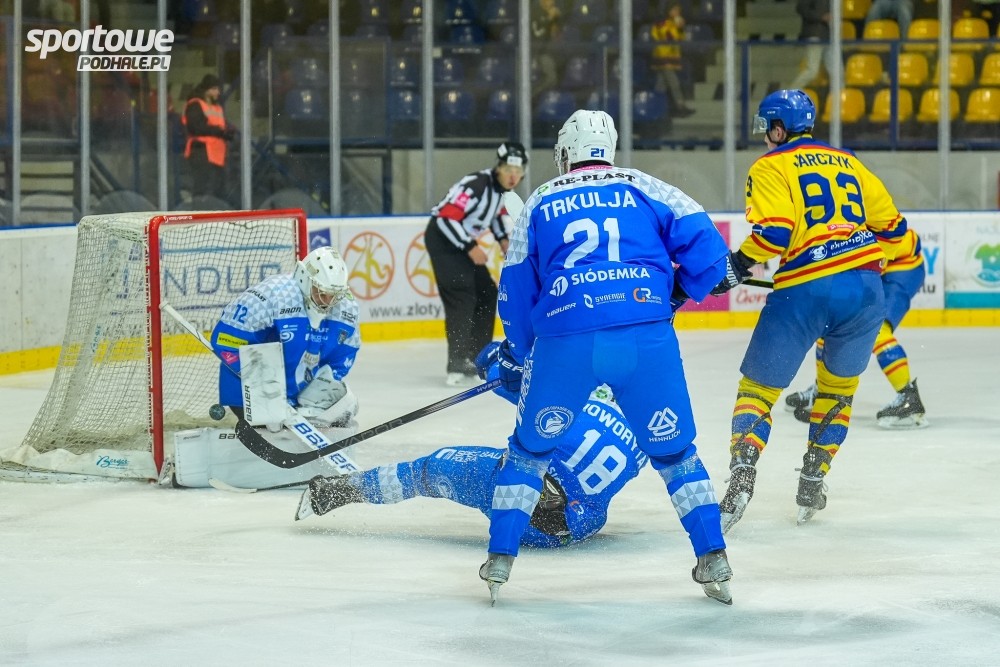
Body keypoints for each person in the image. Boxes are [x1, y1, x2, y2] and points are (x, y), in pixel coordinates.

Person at [480, 109, 738, 606]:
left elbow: (514, 290)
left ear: (565, 152)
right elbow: (711, 255)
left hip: (566, 341)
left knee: (529, 453)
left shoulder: (539, 200)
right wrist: (684, 288)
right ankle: (713, 556)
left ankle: (500, 559)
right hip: (645, 339)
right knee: (677, 455)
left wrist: (521, 354)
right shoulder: (648, 187)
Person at [712, 90, 910, 534]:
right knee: (837, 391)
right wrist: (858, 262)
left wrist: (737, 266)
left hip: (805, 289)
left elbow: (775, 233)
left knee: (758, 390)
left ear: (778, 128)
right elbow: (895, 230)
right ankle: (812, 480)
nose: (765, 136)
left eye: (767, 127)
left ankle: (742, 475)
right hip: (865, 290)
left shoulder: (770, 165)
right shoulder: (850, 161)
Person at [295, 343, 647, 550]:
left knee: (428, 470)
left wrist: (495, 364)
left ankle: (337, 491)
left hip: (520, 505)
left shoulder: (577, 402)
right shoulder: (645, 440)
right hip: (573, 530)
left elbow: (508, 385)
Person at [785, 227, 928, 429]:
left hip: (902, 269)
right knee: (830, 323)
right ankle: (824, 390)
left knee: (877, 329)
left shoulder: (868, 226)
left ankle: (909, 398)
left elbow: (905, 243)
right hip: (868, 268)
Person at [210, 246, 361, 431]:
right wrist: (258, 380)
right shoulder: (274, 294)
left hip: (301, 390)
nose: (328, 302)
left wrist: (318, 387)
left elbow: (343, 356)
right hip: (255, 389)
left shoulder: (346, 308)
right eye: (322, 293)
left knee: (345, 404)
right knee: (269, 424)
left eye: (334, 296)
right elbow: (225, 339)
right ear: (304, 279)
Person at [425, 142, 527, 387]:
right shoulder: (476, 185)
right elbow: (445, 219)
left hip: (462, 244)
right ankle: (457, 363)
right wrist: (470, 247)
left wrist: (503, 240)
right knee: (462, 297)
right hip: (444, 242)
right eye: (508, 170)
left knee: (487, 293)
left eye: (518, 171)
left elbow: (496, 215)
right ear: (498, 168)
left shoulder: (501, 191)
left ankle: (476, 357)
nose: (513, 176)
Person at [182, 74, 236, 203]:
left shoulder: (216, 107)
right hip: (201, 151)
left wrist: (226, 132)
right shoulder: (195, 105)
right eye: (214, 89)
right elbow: (195, 127)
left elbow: (220, 125)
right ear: (206, 90)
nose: (218, 92)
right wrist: (220, 132)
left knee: (217, 190)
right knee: (203, 189)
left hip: (216, 154)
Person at [650, 2, 696, 117]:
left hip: (672, 57)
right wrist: (676, 27)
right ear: (669, 10)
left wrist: (680, 29)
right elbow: (665, 36)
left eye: (678, 10)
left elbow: (680, 38)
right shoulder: (661, 23)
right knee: (674, 83)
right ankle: (680, 106)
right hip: (662, 56)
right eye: (675, 10)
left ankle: (655, 108)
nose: (677, 12)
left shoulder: (675, 23)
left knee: (661, 85)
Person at [789, 0, 836, 91]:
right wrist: (821, 17)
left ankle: (840, 96)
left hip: (827, 37)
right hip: (815, 35)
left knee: (836, 71)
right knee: (812, 71)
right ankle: (791, 91)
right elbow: (801, 8)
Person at [530, 0, 564, 95]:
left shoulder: (554, 11)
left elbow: (556, 36)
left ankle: (542, 97)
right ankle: (531, 97)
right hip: (532, 51)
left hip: (549, 52)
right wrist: (549, 18)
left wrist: (556, 20)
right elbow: (537, 33)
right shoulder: (534, 11)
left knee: (552, 79)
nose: (552, 2)